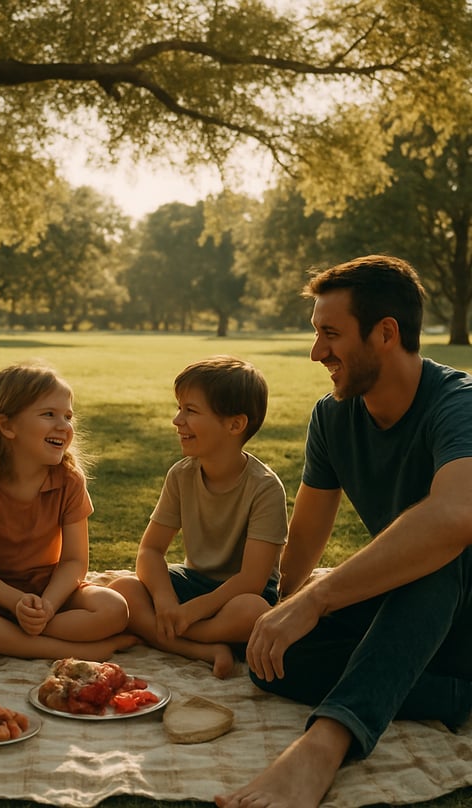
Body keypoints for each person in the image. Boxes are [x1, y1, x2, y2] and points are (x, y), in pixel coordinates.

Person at [215, 255, 472, 808]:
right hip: (419, 621)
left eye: (330, 334)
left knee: (438, 551)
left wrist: (320, 600)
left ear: (385, 333)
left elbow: (455, 518)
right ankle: (454, 694)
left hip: (461, 597)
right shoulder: (333, 417)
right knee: (273, 663)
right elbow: (306, 531)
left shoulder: (459, 405)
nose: (316, 353)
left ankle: (324, 744)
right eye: (316, 335)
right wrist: (287, 607)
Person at [0, 361, 134, 668]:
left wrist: (46, 607)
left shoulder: (69, 480)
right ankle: (69, 650)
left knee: (114, 609)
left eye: (68, 416)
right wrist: (17, 603)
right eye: (49, 414)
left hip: (49, 591)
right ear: (7, 426)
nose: (64, 425)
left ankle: (1, 639)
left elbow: (74, 561)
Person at [110, 356, 288, 678]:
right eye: (179, 408)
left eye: (190, 411)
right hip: (194, 584)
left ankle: (176, 635)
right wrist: (165, 601)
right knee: (123, 590)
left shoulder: (265, 488)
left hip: (239, 596)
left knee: (254, 613)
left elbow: (252, 579)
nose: (177, 420)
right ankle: (203, 648)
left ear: (235, 425)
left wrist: (191, 612)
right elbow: (150, 551)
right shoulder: (181, 475)